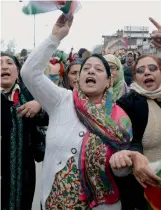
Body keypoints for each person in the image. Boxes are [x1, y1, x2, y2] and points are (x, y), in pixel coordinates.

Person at [21, 14, 134, 210]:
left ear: (109, 81)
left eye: (98, 69)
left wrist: (122, 165)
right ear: (79, 78)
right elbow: (29, 73)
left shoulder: (120, 118)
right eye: (86, 68)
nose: (90, 71)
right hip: (54, 202)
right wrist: (55, 36)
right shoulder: (61, 100)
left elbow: (122, 172)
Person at [110, 54, 161, 209]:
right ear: (135, 77)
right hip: (143, 187)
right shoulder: (126, 104)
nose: (147, 72)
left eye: (152, 68)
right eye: (140, 70)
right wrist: (134, 155)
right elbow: (127, 141)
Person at [1, 52, 48, 210]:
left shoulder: (29, 95)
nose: (4, 66)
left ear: (18, 70)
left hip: (24, 172)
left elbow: (49, 119)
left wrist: (40, 106)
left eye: (9, 63)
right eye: (0, 63)